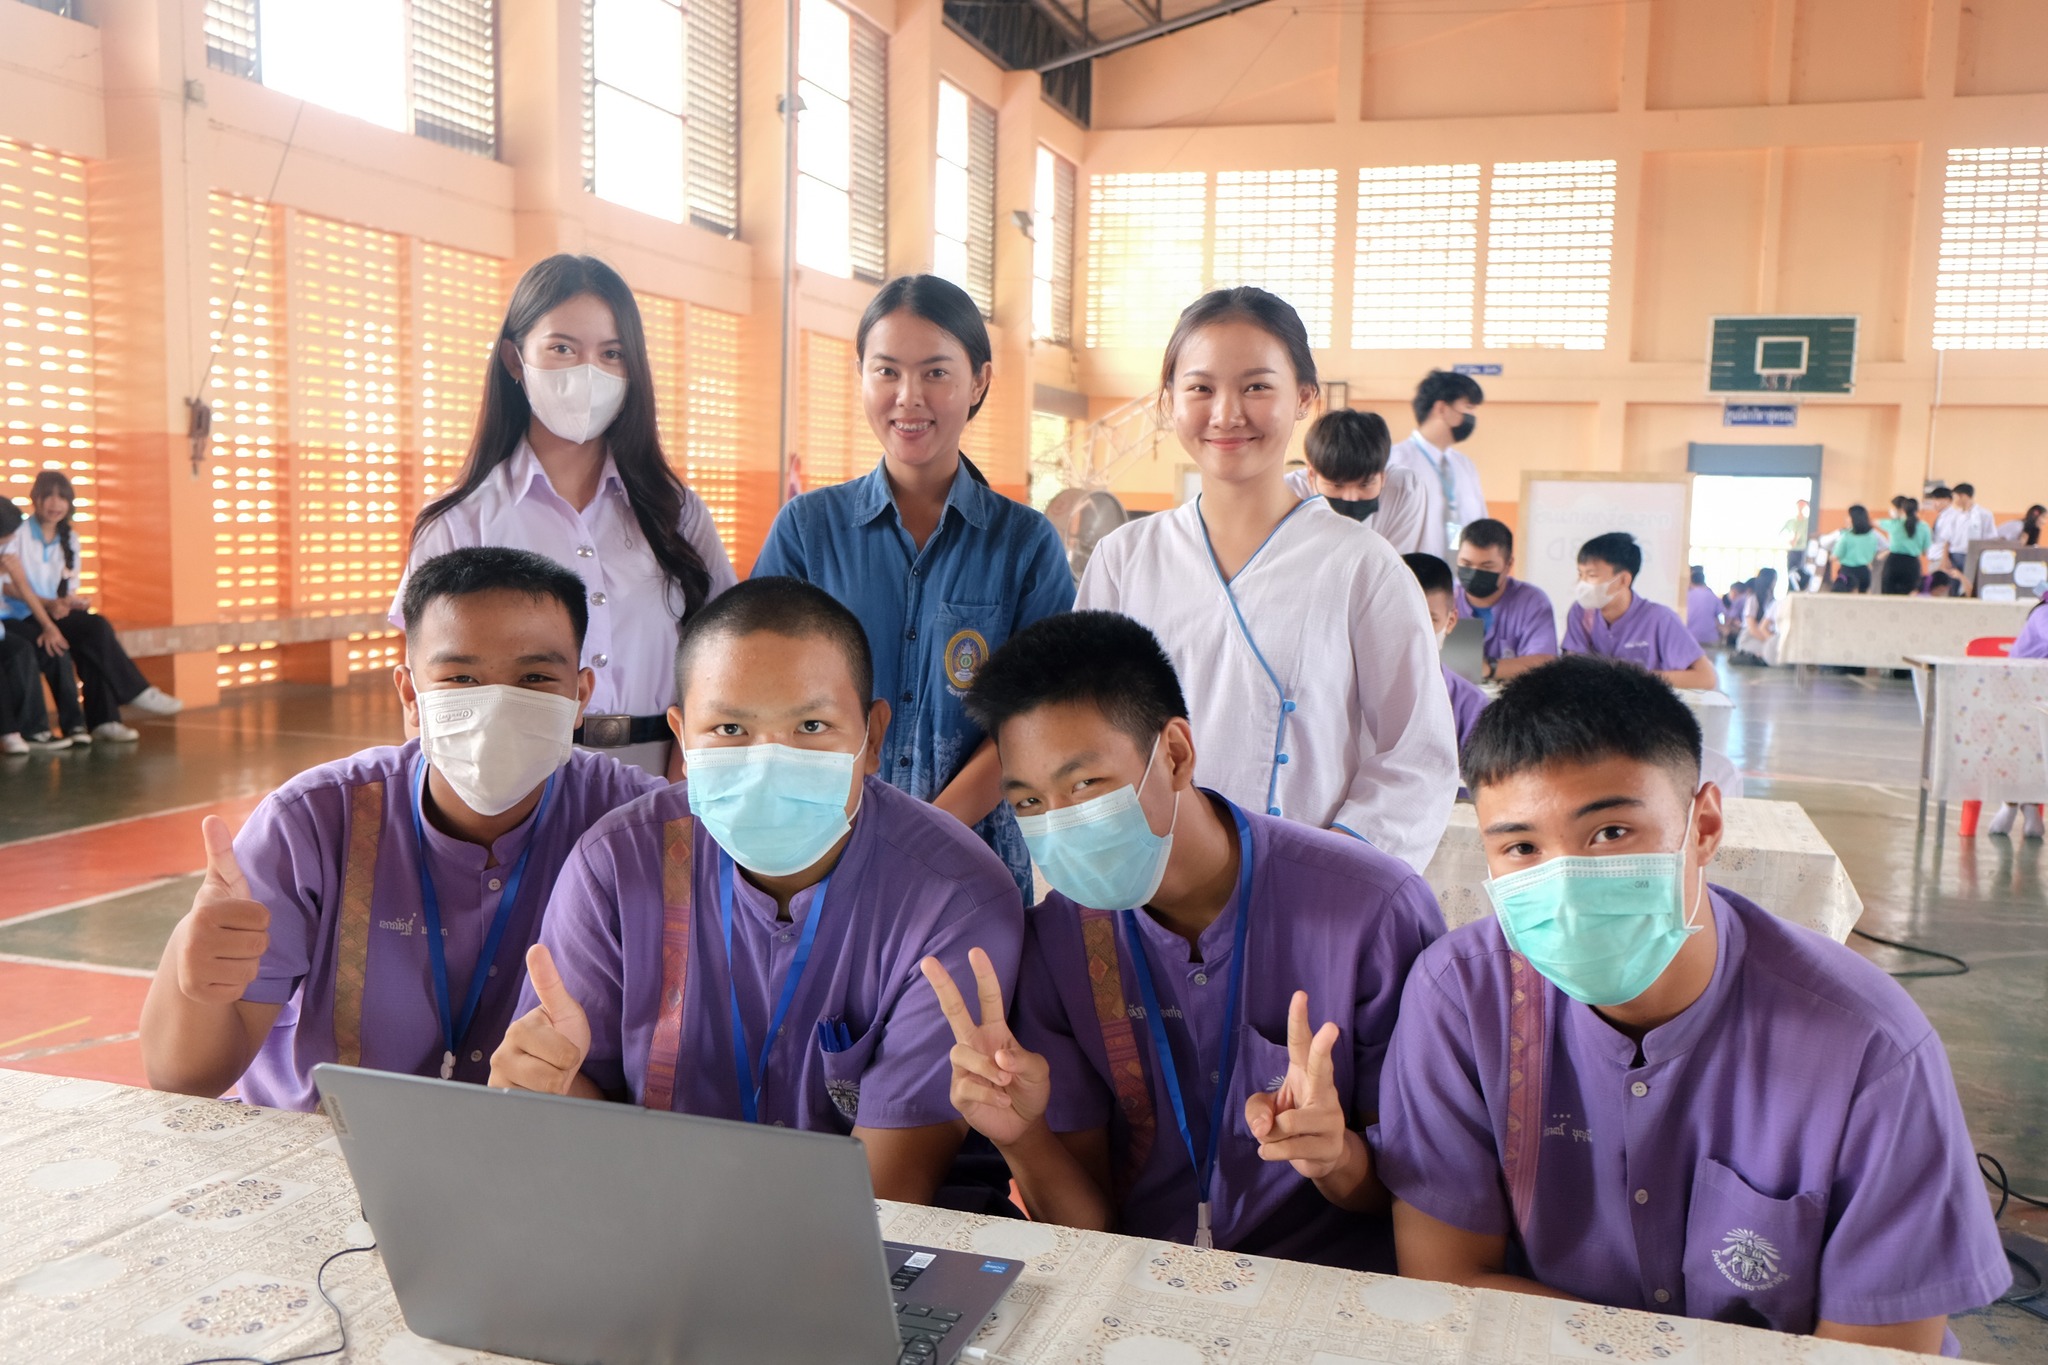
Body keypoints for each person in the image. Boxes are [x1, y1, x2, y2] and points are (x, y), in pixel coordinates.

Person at [1373, 656, 2010, 1354]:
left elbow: (1876, 1350)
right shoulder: (1461, 1001)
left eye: (1611, 833)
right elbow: (1449, 1280)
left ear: (1703, 825)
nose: (1568, 885)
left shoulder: (1869, 1049)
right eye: (1522, 846)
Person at [923, 609, 1443, 1269]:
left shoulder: (1372, 910)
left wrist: (1336, 1157)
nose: (1060, 823)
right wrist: (1020, 1132)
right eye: (1029, 803)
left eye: (1085, 785)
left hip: (1329, 1285)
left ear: (1173, 753)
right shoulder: (1057, 943)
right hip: (1141, 1285)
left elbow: (1425, 1200)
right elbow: (1091, 1225)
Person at [488, 577, 1025, 1205]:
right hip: (652, 1231)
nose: (770, 760)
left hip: (878, 1251)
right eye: (732, 730)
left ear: (871, 739)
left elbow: (887, 1194)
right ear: (683, 741)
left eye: (812, 725)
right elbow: (568, 1098)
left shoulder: (954, 898)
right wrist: (540, 1088)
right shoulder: (616, 865)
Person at [139, 548, 663, 1110]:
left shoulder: (639, 832)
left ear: (580, 695)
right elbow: (185, 1079)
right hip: (328, 1151)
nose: (495, 708)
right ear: (411, 696)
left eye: (534, 678)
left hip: (523, 1160)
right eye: (460, 678)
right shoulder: (312, 824)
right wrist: (195, 978)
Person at [1074, 287, 1457, 874]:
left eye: (1256, 386)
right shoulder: (1125, 558)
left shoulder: (1364, 566)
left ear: (1305, 398)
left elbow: (1419, 757)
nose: (1227, 413)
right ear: (1169, 400)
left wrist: (1333, 869)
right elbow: (1085, 727)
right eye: (1200, 388)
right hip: (1152, 884)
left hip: (1308, 888)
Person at [753, 276, 1073, 903]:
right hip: (819, 851)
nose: (909, 398)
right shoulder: (807, 529)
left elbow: (1032, 721)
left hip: (973, 863)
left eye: (935, 373)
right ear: (861, 375)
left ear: (979, 381)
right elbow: (760, 688)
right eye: (887, 372)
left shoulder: (1026, 545)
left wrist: (928, 834)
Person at [392, 255, 737, 778]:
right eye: (561, 348)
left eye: (611, 353)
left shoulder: (678, 512)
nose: (588, 373)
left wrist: (683, 780)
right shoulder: (460, 520)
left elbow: (723, 660)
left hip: (662, 778)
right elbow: (432, 694)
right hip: (518, 781)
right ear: (515, 359)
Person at [2, 470, 183, 744]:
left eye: (62, 497)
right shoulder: (17, 533)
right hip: (24, 615)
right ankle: (132, 694)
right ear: (35, 499)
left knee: (94, 630)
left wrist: (68, 602)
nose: (54, 503)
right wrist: (50, 605)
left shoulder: (70, 539)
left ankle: (106, 721)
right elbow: (9, 584)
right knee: (83, 637)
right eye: (47, 496)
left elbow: (66, 586)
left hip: (53, 611)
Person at [1561, 533, 1716, 689]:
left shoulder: (1661, 619)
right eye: (1580, 574)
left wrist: (1632, 677)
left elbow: (1705, 678)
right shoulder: (1580, 613)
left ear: (1623, 580)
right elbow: (1573, 669)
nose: (1582, 583)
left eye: (1591, 575)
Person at [1282, 407, 1428, 549]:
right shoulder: (1285, 494)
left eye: (1364, 485)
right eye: (1337, 485)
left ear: (1383, 477)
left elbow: (1399, 563)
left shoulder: (1405, 489)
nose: (1351, 498)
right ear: (1311, 474)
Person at [1385, 369, 1486, 560]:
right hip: (1412, 576)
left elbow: (1480, 523)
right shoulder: (1394, 461)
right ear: (1441, 408)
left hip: (1458, 583)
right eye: (1469, 408)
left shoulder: (1465, 466)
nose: (1472, 416)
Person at [1453, 519, 1558, 681]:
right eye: (1466, 563)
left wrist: (1487, 668)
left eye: (1486, 567)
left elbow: (1544, 662)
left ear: (1508, 564)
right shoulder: (1447, 600)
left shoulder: (1532, 602)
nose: (1474, 573)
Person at [1404, 553, 1488, 748]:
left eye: (1431, 619)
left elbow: (1474, 777)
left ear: (1450, 622)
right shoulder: (1351, 695)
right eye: (1403, 616)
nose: (1416, 631)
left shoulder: (1471, 706)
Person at [0, 542, 73, 753]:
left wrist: (49, 626)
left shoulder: (8, 553)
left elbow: (22, 586)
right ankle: (10, 733)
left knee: (24, 648)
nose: (7, 545)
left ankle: (35, 731)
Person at [1987, 599, 2048, 840]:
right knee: (2020, 746)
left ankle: (2031, 805)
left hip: (2042, 693)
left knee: (2040, 748)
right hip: (2016, 693)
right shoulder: (2044, 613)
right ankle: (2011, 803)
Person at [1822, 504, 1886, 594]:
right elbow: (1886, 547)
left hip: (1847, 572)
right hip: (1865, 572)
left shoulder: (1846, 536)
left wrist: (1831, 557)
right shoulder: (1873, 535)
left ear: (1854, 518)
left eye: (1848, 516)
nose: (1846, 518)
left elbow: (1835, 556)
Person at [1877, 496, 1930, 595]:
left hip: (1893, 562)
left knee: (1888, 595)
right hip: (1912, 564)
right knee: (1909, 596)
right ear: (1918, 510)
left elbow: (1872, 522)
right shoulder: (1924, 526)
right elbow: (1925, 552)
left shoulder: (1894, 524)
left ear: (1902, 510)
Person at [1941, 483, 1998, 573]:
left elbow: (1990, 538)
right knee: (1953, 585)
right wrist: (1945, 558)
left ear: (1963, 496)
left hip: (1974, 555)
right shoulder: (1954, 515)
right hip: (1954, 555)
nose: (1954, 501)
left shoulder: (1984, 514)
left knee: (1968, 584)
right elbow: (1947, 539)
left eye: (1955, 497)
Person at [1735, 567, 1783, 667]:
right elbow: (1752, 629)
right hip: (1749, 638)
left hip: (1764, 636)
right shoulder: (1753, 599)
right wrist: (1770, 641)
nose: (1776, 583)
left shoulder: (1770, 599)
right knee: (1772, 652)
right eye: (1775, 580)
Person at [1684, 567, 1723, 649]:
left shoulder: (1686, 595)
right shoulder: (1712, 595)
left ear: (1690, 581)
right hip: (1710, 639)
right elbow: (1723, 614)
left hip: (1689, 637)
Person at [1720, 578, 1753, 648]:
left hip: (1741, 631)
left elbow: (1730, 618)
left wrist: (1725, 629)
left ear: (1734, 591)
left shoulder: (1739, 600)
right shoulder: (1748, 598)